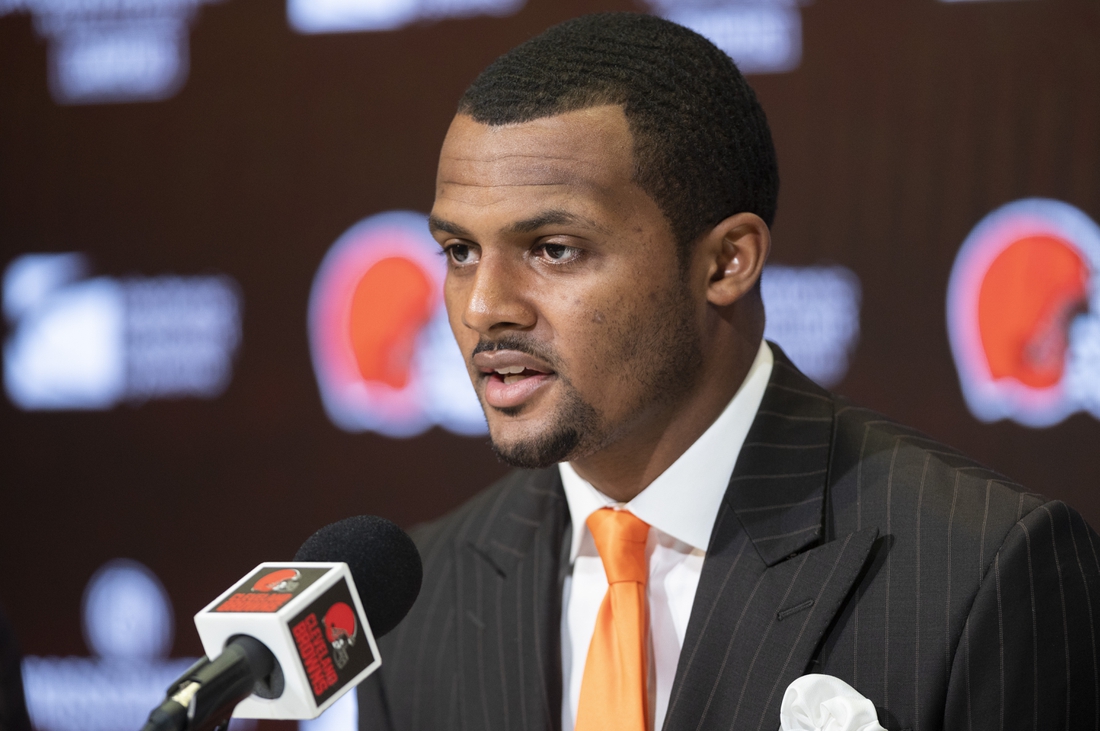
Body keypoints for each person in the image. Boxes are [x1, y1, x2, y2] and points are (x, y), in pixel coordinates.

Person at [358, 12, 1100, 731]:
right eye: (459, 251)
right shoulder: (418, 597)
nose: (484, 306)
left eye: (554, 248)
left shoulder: (983, 567)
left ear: (726, 261)